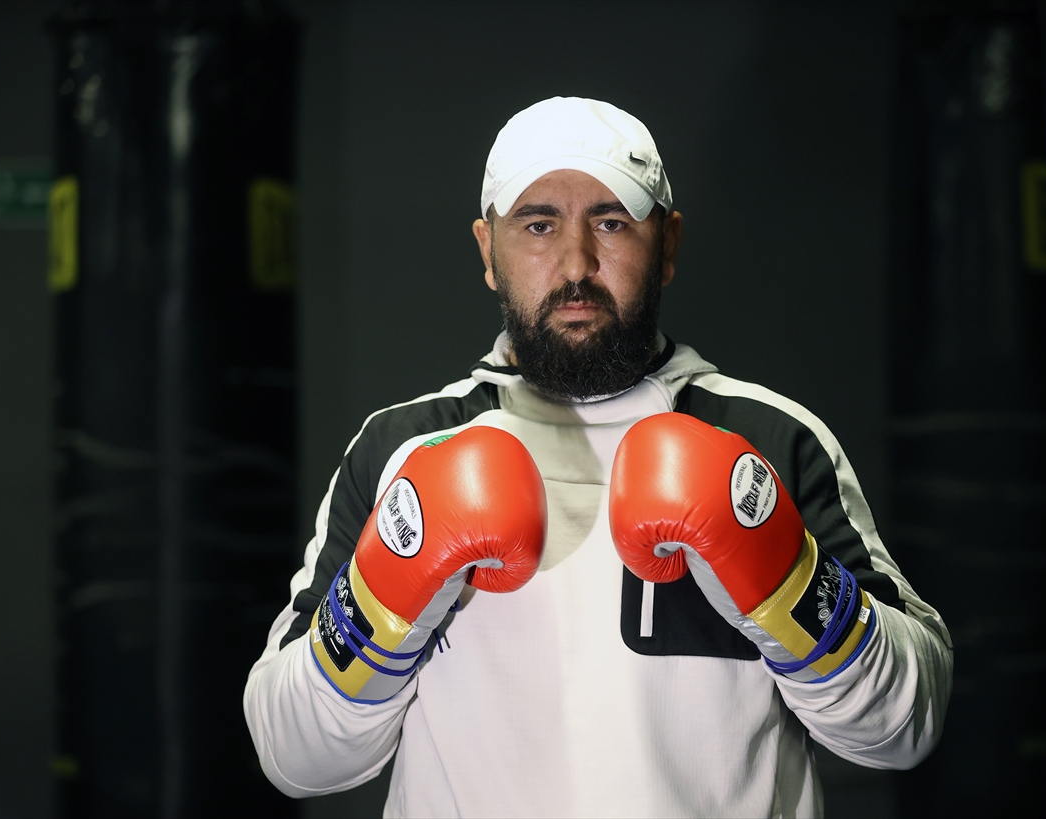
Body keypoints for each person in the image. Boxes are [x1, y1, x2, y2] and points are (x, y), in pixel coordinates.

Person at [244, 96, 953, 818]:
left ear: (667, 244)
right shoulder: (404, 447)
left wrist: (784, 579)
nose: (576, 263)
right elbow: (295, 757)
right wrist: (381, 601)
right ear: (488, 251)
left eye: (611, 222)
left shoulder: (770, 440)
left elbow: (904, 727)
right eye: (538, 224)